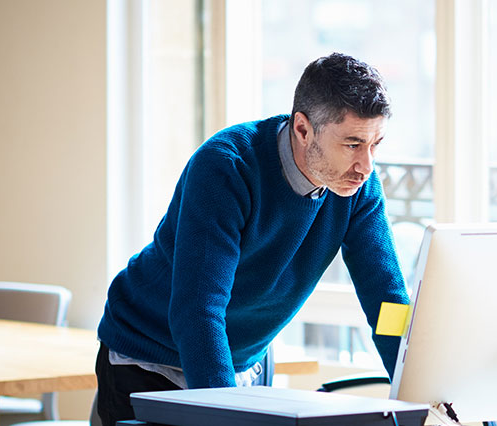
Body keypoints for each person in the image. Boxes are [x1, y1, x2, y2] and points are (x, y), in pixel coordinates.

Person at [94, 53, 408, 424]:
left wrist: (418, 397)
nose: (366, 166)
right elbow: (198, 311)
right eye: (353, 144)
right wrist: (228, 414)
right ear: (303, 129)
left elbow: (386, 302)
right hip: (150, 356)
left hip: (245, 362)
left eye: (375, 145)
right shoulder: (227, 167)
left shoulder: (359, 188)